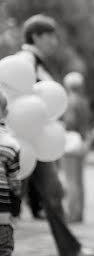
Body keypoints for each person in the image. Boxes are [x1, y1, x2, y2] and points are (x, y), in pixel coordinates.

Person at [16, 14, 94, 256]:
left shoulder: (38, 63)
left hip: (37, 143)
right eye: (51, 36)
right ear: (37, 37)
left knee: (52, 193)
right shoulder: (25, 61)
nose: (55, 41)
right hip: (24, 142)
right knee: (11, 199)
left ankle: (69, 248)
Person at [62, 72, 92, 223]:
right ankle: (79, 213)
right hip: (82, 141)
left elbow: (70, 122)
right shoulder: (83, 101)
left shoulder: (70, 101)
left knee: (70, 180)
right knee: (79, 181)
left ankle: (72, 213)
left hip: (71, 142)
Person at [0, 89, 21, 256]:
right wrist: (16, 210)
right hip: (2, 217)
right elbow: (15, 183)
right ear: (5, 113)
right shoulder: (10, 145)